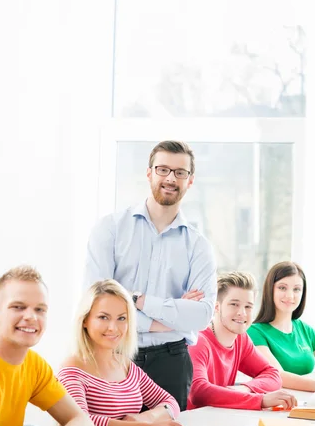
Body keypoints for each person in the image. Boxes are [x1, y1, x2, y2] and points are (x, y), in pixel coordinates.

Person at [83, 140, 217, 410]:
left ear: (190, 181)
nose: (171, 178)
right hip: (114, 356)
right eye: (163, 169)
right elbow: (95, 303)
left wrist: (138, 301)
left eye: (180, 172)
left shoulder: (198, 245)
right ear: (149, 173)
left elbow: (202, 315)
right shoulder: (110, 229)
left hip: (172, 363)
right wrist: (170, 319)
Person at [0, 266, 131, 426]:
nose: (31, 316)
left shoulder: (34, 365)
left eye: (40, 309)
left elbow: (81, 420)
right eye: (18, 307)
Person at [59, 280, 185, 426]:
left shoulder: (126, 366)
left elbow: (170, 402)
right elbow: (82, 422)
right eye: (103, 317)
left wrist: (145, 417)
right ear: (85, 320)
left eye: (121, 318)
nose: (113, 327)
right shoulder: (71, 370)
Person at [188, 271, 297, 410]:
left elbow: (272, 375)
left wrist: (246, 388)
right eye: (234, 304)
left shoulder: (241, 339)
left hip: (219, 417)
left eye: (248, 306)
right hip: (192, 424)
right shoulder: (198, 340)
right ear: (216, 307)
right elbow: (199, 392)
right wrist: (261, 400)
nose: (242, 313)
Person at [247, 261, 315, 392]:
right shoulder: (254, 332)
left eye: (296, 289)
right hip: (277, 404)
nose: (290, 295)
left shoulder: (304, 329)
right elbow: (278, 376)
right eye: (282, 288)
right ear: (270, 289)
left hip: (307, 402)